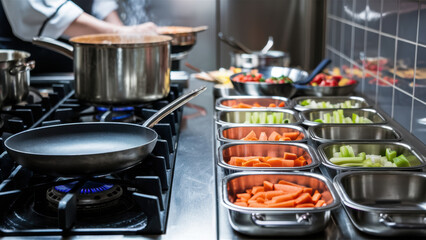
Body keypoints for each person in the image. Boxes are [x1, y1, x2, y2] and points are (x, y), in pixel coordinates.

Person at [0, 0, 157, 73]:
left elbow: (101, 4)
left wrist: (124, 41)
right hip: (28, 69)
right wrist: (121, 34)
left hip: (78, 70)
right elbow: (35, 10)